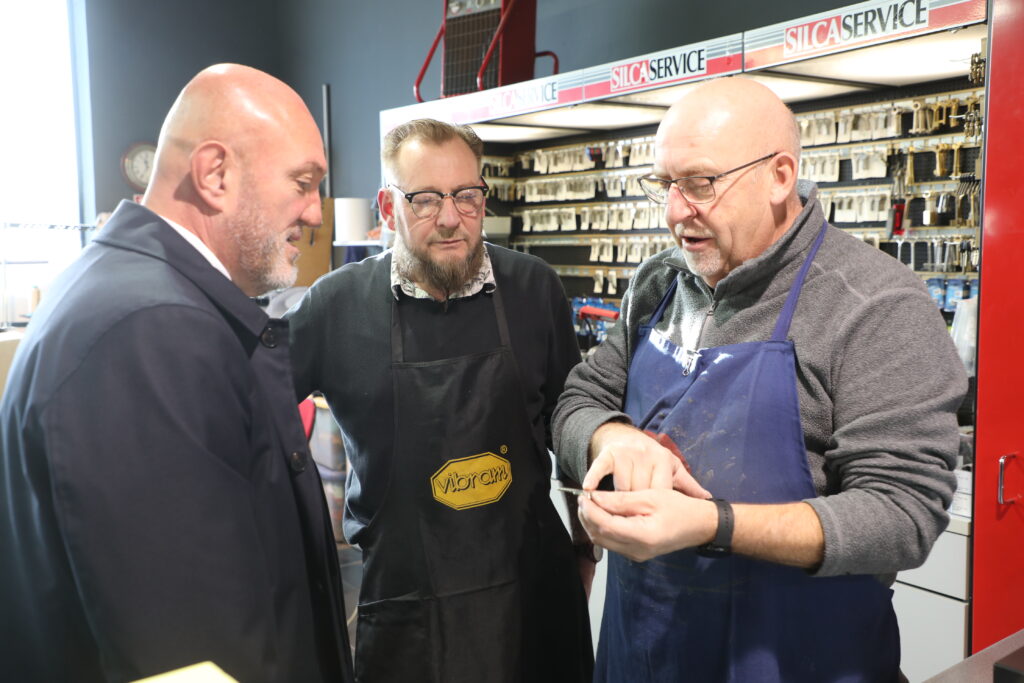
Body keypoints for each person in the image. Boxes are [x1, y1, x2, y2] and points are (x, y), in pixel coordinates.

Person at [553, 77, 967, 682]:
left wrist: (713, 523)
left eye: (700, 183)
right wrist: (613, 438)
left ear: (779, 177)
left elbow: (902, 516)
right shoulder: (660, 283)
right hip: (643, 658)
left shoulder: (875, 304)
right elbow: (578, 400)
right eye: (664, 185)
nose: (674, 211)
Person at [0, 64, 353, 682]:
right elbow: (188, 659)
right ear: (216, 174)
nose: (316, 214)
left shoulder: (129, 295)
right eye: (303, 183)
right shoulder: (150, 333)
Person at [287, 118, 594, 682]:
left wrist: (584, 548)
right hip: (408, 611)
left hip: (530, 596)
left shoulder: (533, 288)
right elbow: (255, 410)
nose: (451, 218)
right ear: (387, 207)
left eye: (467, 196)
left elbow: (569, 423)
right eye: (425, 200)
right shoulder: (337, 306)